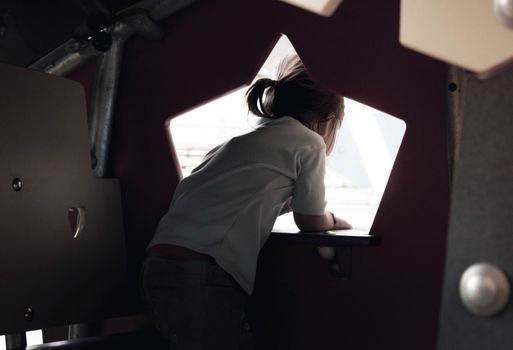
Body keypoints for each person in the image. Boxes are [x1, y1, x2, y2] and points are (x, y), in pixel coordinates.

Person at [140, 55, 352, 350]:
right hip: (203, 271)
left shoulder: (238, 143)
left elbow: (244, 199)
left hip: (159, 263)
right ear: (329, 119)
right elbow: (311, 220)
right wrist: (334, 220)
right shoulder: (308, 142)